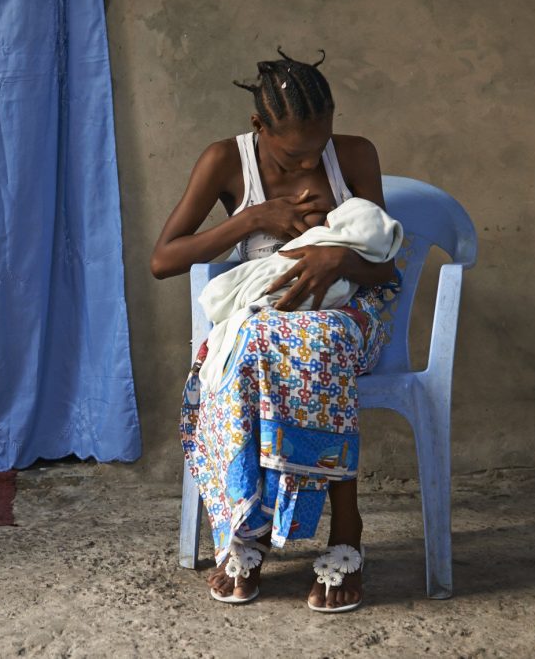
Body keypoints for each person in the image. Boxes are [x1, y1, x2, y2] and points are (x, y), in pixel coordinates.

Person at [150, 48, 401, 611]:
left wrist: (336, 261)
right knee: (249, 345)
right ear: (259, 126)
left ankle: (346, 531)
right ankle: (245, 529)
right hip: (266, 316)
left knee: (319, 340)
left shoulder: (354, 156)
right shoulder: (225, 161)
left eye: (318, 146)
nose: (306, 163)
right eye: (291, 154)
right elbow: (163, 260)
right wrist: (252, 219)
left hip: (348, 313)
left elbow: (383, 263)